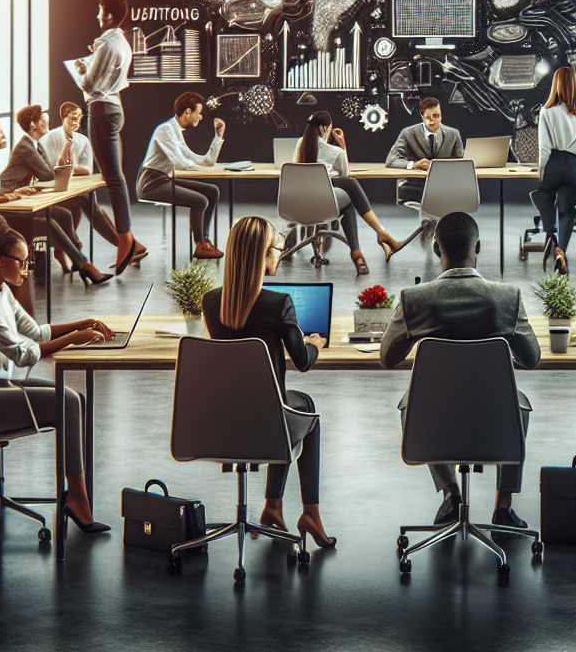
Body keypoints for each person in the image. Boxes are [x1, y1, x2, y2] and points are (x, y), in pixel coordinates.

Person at [380, 212, 540, 530]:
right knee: (517, 400)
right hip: (495, 422)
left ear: (436, 249)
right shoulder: (507, 298)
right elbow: (532, 357)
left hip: (434, 424)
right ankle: (503, 506)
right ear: (477, 247)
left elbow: (387, 357)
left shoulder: (414, 299)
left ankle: (451, 493)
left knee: (411, 401)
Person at [0, 208, 112, 533]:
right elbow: (22, 353)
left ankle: (77, 498)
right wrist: (75, 339)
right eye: (21, 262)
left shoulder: (1, 292)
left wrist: (83, 323)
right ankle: (77, 501)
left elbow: (36, 332)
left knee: (74, 399)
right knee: (67, 401)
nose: (27, 269)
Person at [201, 216, 334, 548]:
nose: (281, 253)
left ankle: (273, 508)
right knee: (304, 408)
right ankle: (309, 513)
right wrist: (314, 344)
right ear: (262, 254)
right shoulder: (278, 304)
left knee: (288, 402)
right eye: (278, 248)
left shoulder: (211, 302)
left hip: (221, 421)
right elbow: (302, 361)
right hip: (267, 422)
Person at [0, 106, 112, 288]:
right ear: (33, 124)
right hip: (9, 206)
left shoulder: (34, 145)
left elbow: (47, 173)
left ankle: (76, 254)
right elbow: (47, 175)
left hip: (21, 199)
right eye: (44, 120)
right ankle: (82, 262)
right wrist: (64, 164)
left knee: (64, 214)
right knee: (48, 222)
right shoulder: (25, 147)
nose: (48, 124)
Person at [74, 0, 145, 275]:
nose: (97, 16)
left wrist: (81, 70)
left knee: (113, 178)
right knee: (114, 177)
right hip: (113, 106)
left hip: (101, 108)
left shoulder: (107, 44)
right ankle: (131, 242)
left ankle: (126, 238)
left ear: (110, 17)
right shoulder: (122, 43)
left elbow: (90, 84)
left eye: (100, 11)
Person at [293, 111, 402, 275]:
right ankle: (369, 242)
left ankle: (375, 239)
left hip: (297, 203)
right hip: (323, 203)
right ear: (325, 128)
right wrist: (342, 146)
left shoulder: (299, 145)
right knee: (349, 192)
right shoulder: (335, 152)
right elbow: (345, 175)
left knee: (345, 187)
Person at [136, 92, 226, 260]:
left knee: (212, 191)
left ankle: (204, 241)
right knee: (200, 201)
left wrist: (218, 137)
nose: (200, 117)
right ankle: (200, 245)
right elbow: (179, 163)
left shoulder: (176, 131)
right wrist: (206, 171)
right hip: (150, 183)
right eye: (198, 112)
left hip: (164, 179)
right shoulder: (165, 130)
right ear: (187, 112)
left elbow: (204, 161)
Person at [530, 66, 576, 275]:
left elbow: (544, 148)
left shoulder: (547, 111)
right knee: (567, 209)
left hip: (554, 162)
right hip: (574, 166)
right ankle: (561, 251)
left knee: (543, 195)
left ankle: (550, 233)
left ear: (556, 85)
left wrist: (541, 173)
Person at [39, 102, 125, 260]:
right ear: (64, 116)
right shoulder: (50, 138)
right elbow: (53, 169)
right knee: (86, 201)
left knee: (87, 201)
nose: (77, 122)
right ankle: (124, 245)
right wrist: (67, 158)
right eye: (73, 118)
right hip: (53, 191)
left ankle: (123, 245)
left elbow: (86, 169)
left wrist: (68, 168)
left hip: (72, 188)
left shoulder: (83, 140)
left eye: (79, 118)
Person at [0, 115, 41, 313]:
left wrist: (15, 193)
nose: (2, 134)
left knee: (35, 223)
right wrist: (6, 198)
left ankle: (20, 311)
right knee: (26, 225)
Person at [385, 97, 464, 205]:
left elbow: (460, 162)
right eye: (428, 117)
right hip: (416, 188)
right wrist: (413, 165)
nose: (432, 120)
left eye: (436, 116)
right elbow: (391, 160)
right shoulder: (408, 133)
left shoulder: (453, 134)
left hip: (445, 186)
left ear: (441, 115)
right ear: (422, 116)